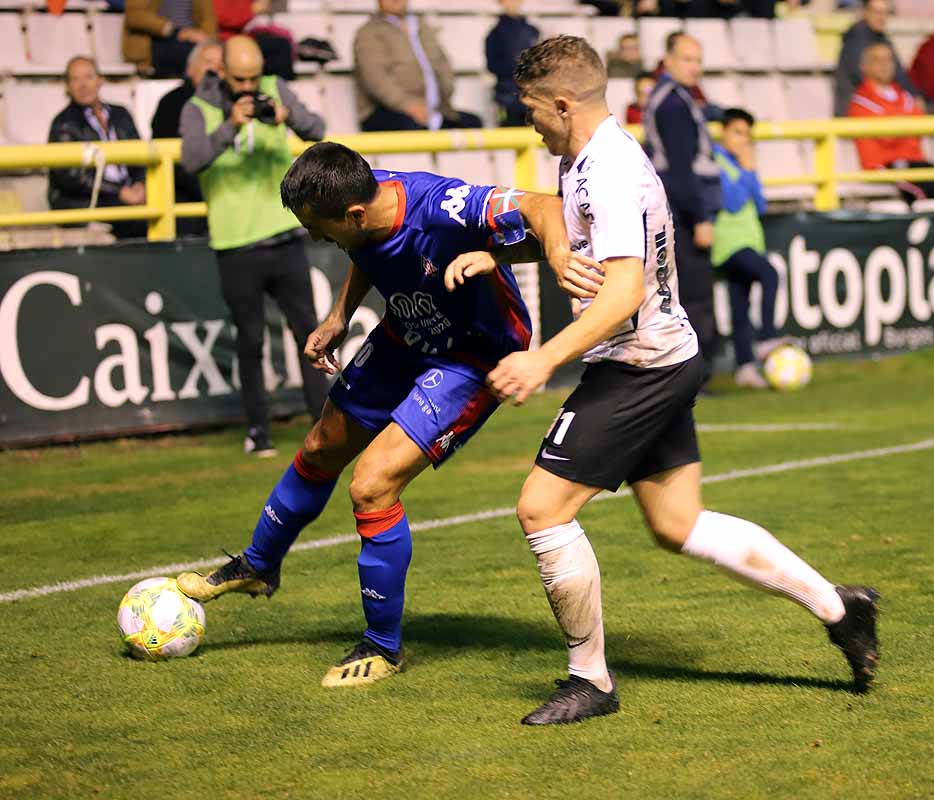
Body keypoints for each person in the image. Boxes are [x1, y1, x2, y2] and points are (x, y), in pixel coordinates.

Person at [493, 35, 880, 726]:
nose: (528, 122)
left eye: (530, 109)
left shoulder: (609, 169)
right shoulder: (585, 158)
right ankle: (839, 606)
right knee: (677, 523)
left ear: (561, 102)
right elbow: (573, 235)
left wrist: (542, 358)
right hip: (663, 355)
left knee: (541, 509)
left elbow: (621, 295)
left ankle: (592, 681)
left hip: (636, 364)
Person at [177, 141, 576, 688]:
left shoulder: (442, 207)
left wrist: (543, 259)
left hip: (474, 355)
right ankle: (259, 565)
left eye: (320, 228)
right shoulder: (360, 197)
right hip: (407, 331)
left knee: (371, 485)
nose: (316, 237)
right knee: (321, 446)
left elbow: (546, 207)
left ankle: (383, 646)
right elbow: (363, 250)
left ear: (355, 213)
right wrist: (341, 314)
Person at [180, 35, 328, 455]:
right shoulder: (199, 108)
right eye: (240, 78)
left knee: (310, 335)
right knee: (250, 340)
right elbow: (192, 160)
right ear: (221, 71)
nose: (249, 87)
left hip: (283, 234)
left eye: (254, 78)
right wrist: (231, 125)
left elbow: (318, 129)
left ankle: (325, 426)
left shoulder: (275, 88)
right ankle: (257, 431)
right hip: (235, 242)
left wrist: (286, 116)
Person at [643, 33, 721, 387]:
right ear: (668, 60)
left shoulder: (671, 98)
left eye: (698, 59)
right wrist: (700, 216)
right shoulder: (674, 104)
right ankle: (695, 377)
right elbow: (680, 169)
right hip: (683, 214)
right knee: (695, 295)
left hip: (675, 211)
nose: (695, 67)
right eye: (687, 59)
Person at [711, 108, 786, 389]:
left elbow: (761, 204)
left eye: (747, 135)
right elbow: (731, 202)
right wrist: (748, 171)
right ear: (724, 131)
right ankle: (767, 337)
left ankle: (744, 367)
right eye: (737, 132)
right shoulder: (716, 160)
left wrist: (749, 172)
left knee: (739, 304)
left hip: (747, 240)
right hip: (729, 243)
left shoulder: (741, 163)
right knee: (770, 275)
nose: (743, 140)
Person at [849, 43, 934, 205]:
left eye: (888, 60)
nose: (884, 65)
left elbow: (920, 127)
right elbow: (887, 136)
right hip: (885, 166)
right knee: (929, 191)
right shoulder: (860, 102)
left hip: (915, 161)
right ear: (865, 67)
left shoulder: (904, 96)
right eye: (877, 60)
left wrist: (898, 123)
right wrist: (906, 123)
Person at [48, 56, 148, 240]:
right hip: (86, 200)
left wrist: (141, 184)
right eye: (75, 79)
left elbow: (141, 156)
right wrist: (120, 191)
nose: (83, 85)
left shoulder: (121, 114)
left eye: (88, 77)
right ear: (67, 87)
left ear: (100, 80)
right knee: (138, 221)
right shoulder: (63, 123)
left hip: (127, 195)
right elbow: (71, 176)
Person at [353, 0, 483, 132]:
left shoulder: (422, 26)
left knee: (473, 124)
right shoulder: (369, 33)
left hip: (435, 110)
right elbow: (376, 80)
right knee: (412, 126)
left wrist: (445, 94)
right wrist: (408, 105)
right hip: (388, 112)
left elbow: (443, 64)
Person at [151, 38, 223, 236]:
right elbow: (175, 162)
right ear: (190, 68)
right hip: (186, 199)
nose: (215, 69)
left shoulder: (235, 101)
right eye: (209, 62)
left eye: (221, 64)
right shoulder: (171, 103)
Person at [834, 0, 921, 116]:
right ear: (865, 13)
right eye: (877, 12)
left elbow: (899, 73)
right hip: (858, 111)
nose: (882, 17)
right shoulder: (855, 40)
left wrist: (914, 95)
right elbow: (871, 78)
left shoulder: (883, 39)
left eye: (885, 12)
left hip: (881, 105)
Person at [123, 0, 218, 77]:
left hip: (193, 39)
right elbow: (134, 15)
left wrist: (207, 41)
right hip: (157, 39)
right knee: (188, 54)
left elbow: (208, 19)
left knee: (212, 57)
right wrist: (173, 30)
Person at [486, 0, 540, 127]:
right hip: (507, 96)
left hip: (532, 94)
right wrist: (520, 67)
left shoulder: (532, 31)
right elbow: (492, 65)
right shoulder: (495, 34)